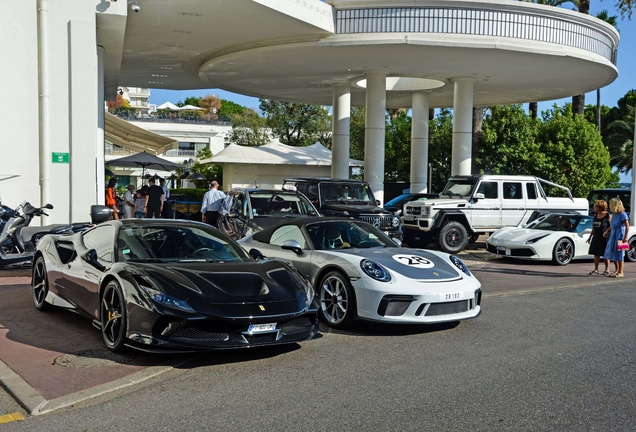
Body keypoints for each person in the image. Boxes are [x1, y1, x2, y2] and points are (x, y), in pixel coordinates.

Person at [603, 198, 630, 278]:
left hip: (620, 236)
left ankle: (621, 272)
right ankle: (616, 270)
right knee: (612, 252)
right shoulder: (614, 214)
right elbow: (612, 226)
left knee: (620, 254)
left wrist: (626, 237)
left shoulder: (622, 214)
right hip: (613, 235)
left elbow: (627, 226)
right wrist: (607, 231)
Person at [586, 200, 611, 275]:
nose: (594, 207)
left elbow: (611, 226)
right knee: (596, 253)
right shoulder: (595, 216)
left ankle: (607, 270)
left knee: (605, 254)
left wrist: (606, 232)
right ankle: (596, 269)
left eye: (596, 206)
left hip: (605, 237)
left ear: (600, 207)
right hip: (596, 236)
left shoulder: (608, 215)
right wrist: (590, 237)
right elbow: (594, 227)